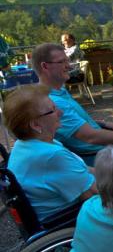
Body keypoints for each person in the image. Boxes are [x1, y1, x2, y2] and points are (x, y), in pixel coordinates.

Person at [31, 43, 113, 165]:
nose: (69, 66)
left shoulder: (59, 91)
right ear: (45, 66)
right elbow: (91, 137)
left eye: (67, 60)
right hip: (96, 157)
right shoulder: (52, 102)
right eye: (62, 62)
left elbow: (73, 121)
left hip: (103, 148)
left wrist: (100, 123)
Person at [4, 85, 97, 221]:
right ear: (35, 125)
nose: (61, 113)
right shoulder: (51, 155)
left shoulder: (25, 144)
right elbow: (93, 195)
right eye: (52, 110)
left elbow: (85, 170)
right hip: (68, 221)